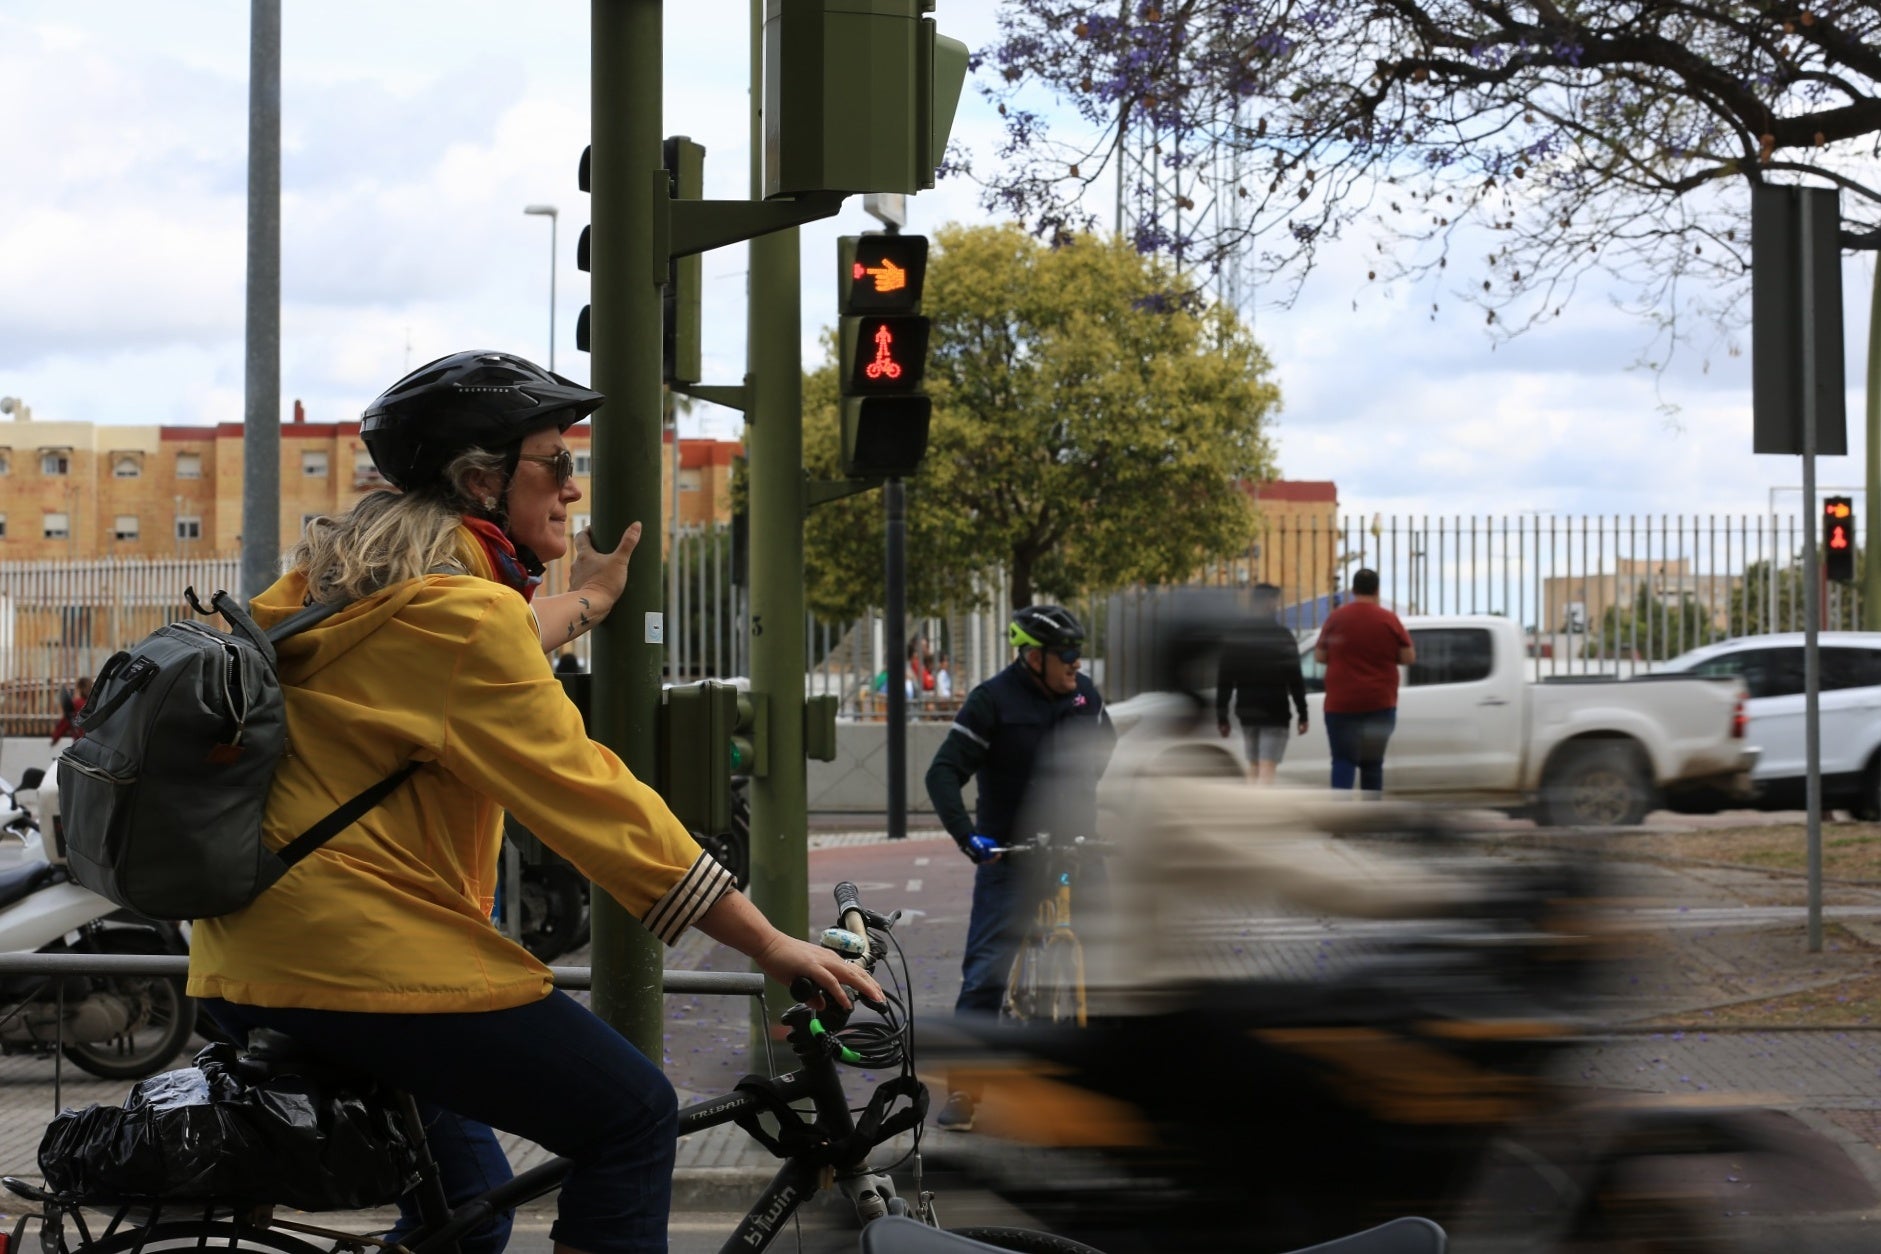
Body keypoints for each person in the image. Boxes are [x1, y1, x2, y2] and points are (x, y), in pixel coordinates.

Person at [186, 350, 879, 1254]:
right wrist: (770, 943)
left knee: (469, 1204)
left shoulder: (341, 589)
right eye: (557, 464)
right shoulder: (459, 621)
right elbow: (596, 802)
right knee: (633, 1116)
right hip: (361, 961)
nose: (573, 490)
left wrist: (588, 598)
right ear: (482, 479)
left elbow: (498, 636)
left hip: (248, 956)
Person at [924, 604, 1115, 1129]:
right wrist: (970, 837)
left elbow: (1106, 745)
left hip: (1075, 848)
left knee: (1114, 956)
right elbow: (942, 773)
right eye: (1067, 654)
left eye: (1078, 653)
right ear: (1033, 657)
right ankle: (965, 1094)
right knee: (986, 974)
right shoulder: (993, 701)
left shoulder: (1084, 696)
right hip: (1012, 853)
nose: (1077, 663)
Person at [1313, 568, 1414, 797]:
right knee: (1372, 763)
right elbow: (1408, 657)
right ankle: (1370, 820)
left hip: (1341, 705)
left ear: (1353, 589)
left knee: (1342, 762)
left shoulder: (1336, 618)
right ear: (1377, 590)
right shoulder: (1389, 619)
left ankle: (1341, 818)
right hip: (1380, 703)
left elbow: (1319, 656)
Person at [1215, 584, 1308, 785]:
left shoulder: (1236, 635)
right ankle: (1262, 809)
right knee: (1267, 768)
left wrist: (1222, 716)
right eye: (1275, 600)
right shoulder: (1283, 636)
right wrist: (1303, 712)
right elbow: (1295, 677)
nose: (1277, 605)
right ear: (1267, 603)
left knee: (1254, 766)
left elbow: (1225, 678)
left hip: (1247, 712)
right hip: (1275, 712)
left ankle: (1250, 808)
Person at [49, 676, 91, 747]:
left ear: (79, 689)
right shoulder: (95, 704)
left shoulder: (76, 704)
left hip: (80, 744)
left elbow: (65, 723)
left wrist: (55, 738)